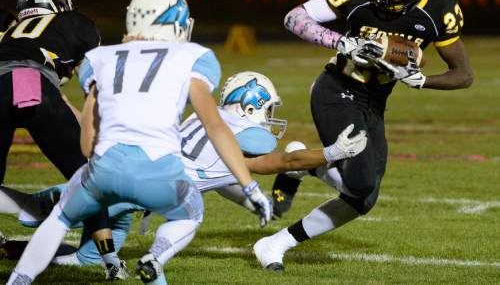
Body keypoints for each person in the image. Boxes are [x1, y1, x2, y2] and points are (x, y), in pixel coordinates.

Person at [6, 0, 275, 285]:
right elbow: (215, 126)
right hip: (160, 172)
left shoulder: (103, 58)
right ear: (175, 22)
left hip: (105, 168)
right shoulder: (192, 56)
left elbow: (87, 135)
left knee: (59, 218)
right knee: (190, 213)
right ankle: (155, 256)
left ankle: (19, 279)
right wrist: (250, 187)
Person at [254, 0, 474, 271]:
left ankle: (277, 240)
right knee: (360, 183)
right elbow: (294, 18)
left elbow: (463, 74)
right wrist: (343, 42)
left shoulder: (439, 10)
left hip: (374, 101)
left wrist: (422, 81)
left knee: (364, 199)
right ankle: (306, 167)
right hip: (336, 89)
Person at [0, 71, 367, 267]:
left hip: (132, 178)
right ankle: (14, 245)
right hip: (137, 188)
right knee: (46, 213)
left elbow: (248, 168)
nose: (269, 117)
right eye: (266, 108)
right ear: (252, 105)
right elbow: (278, 160)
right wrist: (332, 152)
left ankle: (13, 250)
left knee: (79, 241)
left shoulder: (203, 118)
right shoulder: (247, 133)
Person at [0, 0, 124, 279]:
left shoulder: (8, 28)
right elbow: (92, 83)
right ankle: (110, 259)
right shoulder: (74, 23)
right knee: (86, 174)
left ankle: (23, 210)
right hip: (32, 84)